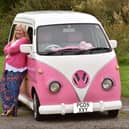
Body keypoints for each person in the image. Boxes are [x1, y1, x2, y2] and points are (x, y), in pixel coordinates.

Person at [0, 24, 30, 116]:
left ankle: (13, 109)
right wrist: (9, 48)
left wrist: (9, 48)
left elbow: (11, 50)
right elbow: (5, 49)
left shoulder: (24, 40)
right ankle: (7, 109)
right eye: (16, 30)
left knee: (13, 89)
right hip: (8, 67)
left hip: (17, 68)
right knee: (4, 88)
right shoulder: (14, 40)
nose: (18, 32)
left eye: (20, 30)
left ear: (24, 32)